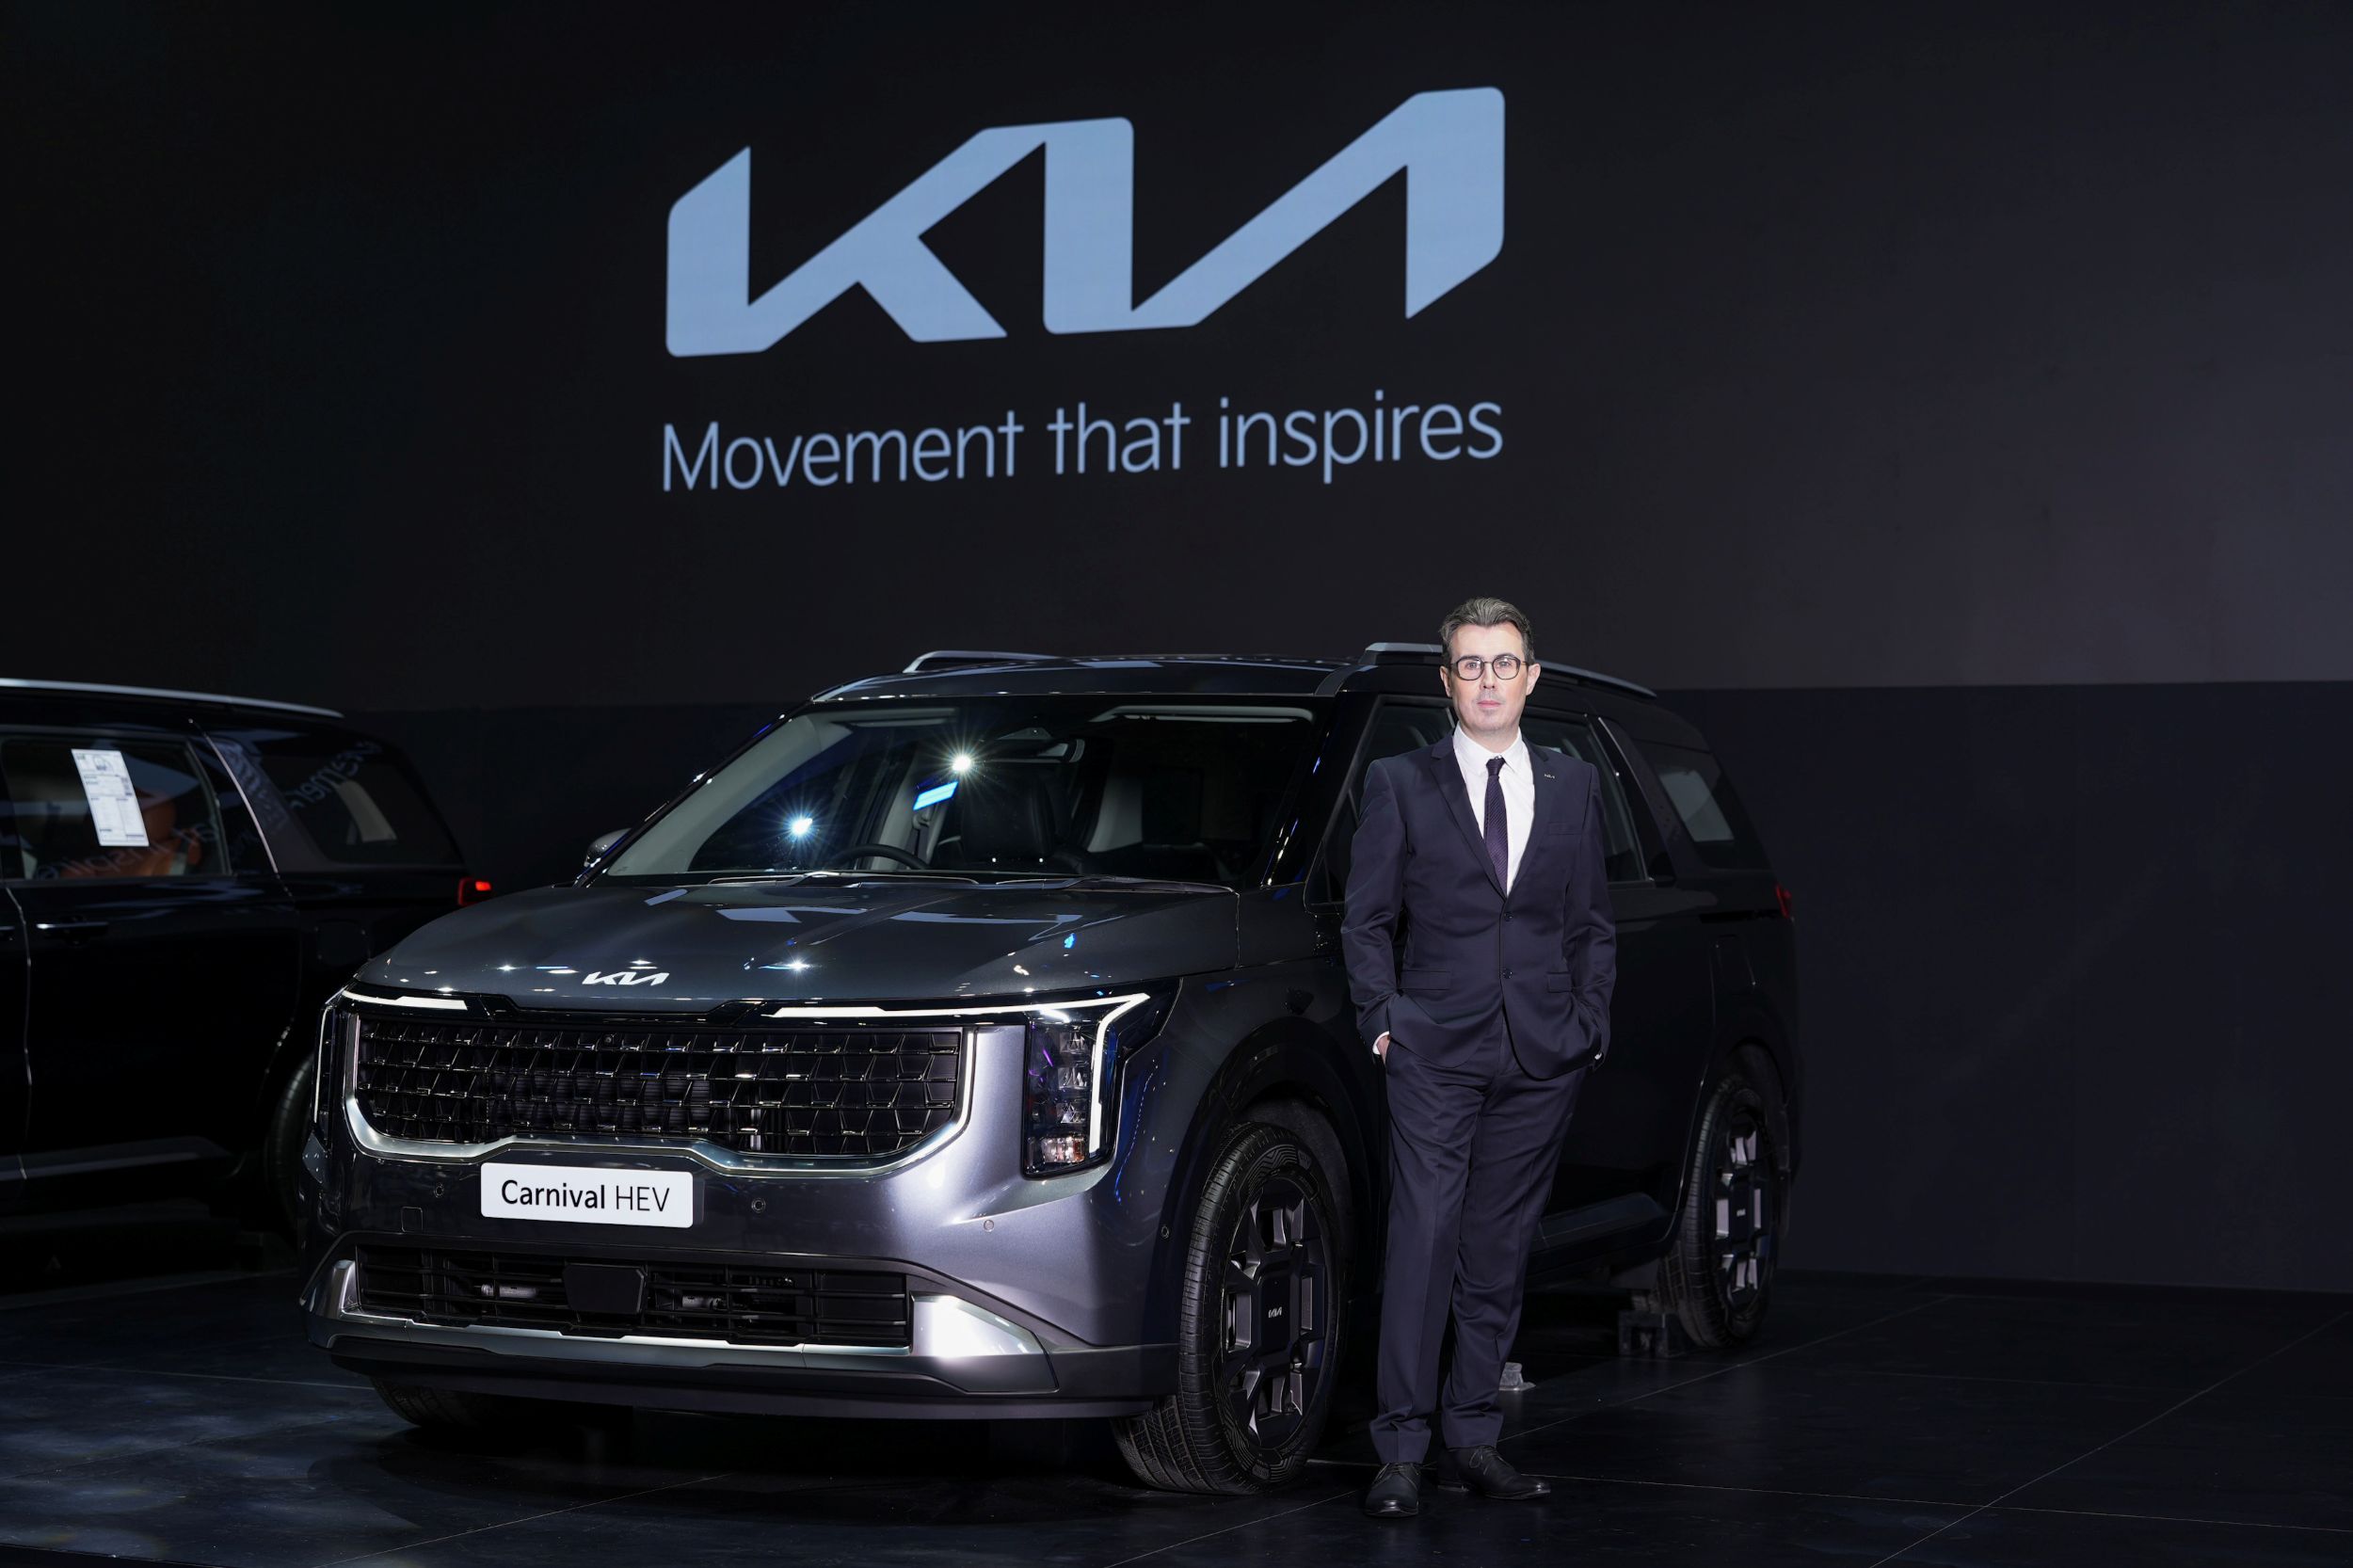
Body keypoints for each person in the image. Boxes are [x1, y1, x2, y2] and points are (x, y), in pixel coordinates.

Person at [1342, 596, 1618, 1519]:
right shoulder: (1399, 782)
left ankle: (1473, 1437)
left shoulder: (1575, 785)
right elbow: (1366, 920)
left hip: (1541, 1052)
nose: (1488, 680)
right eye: (1471, 664)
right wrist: (1383, 1018)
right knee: (1422, 1240)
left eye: (1504, 663)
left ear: (1531, 677)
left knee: (1497, 1251)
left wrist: (1587, 1024)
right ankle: (1399, 1448)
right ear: (1447, 680)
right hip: (1433, 1049)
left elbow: (1591, 923)